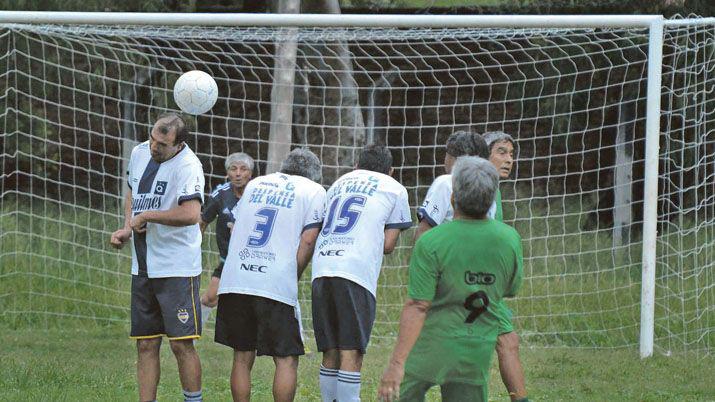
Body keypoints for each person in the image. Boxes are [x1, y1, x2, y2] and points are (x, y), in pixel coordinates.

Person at [378, 156, 523, 402]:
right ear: (491, 199)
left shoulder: (431, 241)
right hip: (474, 351)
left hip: (429, 347)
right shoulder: (509, 239)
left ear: (453, 197)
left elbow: (418, 305)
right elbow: (511, 288)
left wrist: (396, 363)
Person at [214, 148, 326, 402]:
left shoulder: (257, 183)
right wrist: (292, 273)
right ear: (314, 175)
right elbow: (308, 240)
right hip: (274, 279)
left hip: (237, 277)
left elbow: (235, 227)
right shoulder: (314, 190)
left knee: (242, 355)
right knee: (286, 358)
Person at [110, 113, 205, 402]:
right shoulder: (139, 153)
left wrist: (149, 216)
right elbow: (132, 190)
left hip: (176, 267)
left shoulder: (189, 165)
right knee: (146, 344)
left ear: (178, 145)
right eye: (153, 139)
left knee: (181, 345)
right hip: (143, 265)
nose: (154, 147)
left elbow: (191, 214)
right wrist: (128, 227)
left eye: (162, 144)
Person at [311, 144, 412, 402]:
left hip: (322, 268)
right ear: (391, 170)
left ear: (357, 166)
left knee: (330, 349)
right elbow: (388, 245)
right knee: (351, 351)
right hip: (354, 272)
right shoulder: (394, 187)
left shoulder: (339, 182)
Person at [482, 131, 527, 402]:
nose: (509, 159)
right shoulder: (482, 190)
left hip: (481, 280)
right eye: (501, 152)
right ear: (483, 156)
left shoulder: (490, 188)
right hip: (475, 280)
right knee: (507, 340)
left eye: (511, 154)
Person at [199, 152, 254, 325]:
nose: (238, 174)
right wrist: (193, 247)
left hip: (254, 261)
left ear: (250, 173)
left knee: (265, 302)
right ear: (227, 173)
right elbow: (203, 221)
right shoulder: (220, 195)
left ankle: (299, 338)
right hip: (228, 260)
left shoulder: (258, 194)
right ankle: (190, 335)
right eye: (233, 169)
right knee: (209, 298)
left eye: (243, 169)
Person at [414, 130, 490, 241]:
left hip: (447, 254)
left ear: (454, 158)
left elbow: (423, 234)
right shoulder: (489, 187)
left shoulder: (446, 183)